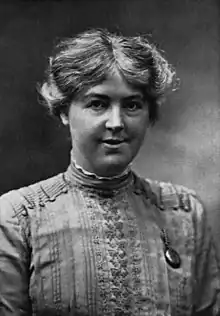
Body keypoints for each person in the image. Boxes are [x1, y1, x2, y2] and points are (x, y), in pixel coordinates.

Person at [0, 28, 219, 316]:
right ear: (65, 111)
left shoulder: (185, 212)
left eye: (132, 105)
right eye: (98, 104)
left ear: (149, 114)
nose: (116, 122)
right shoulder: (19, 216)